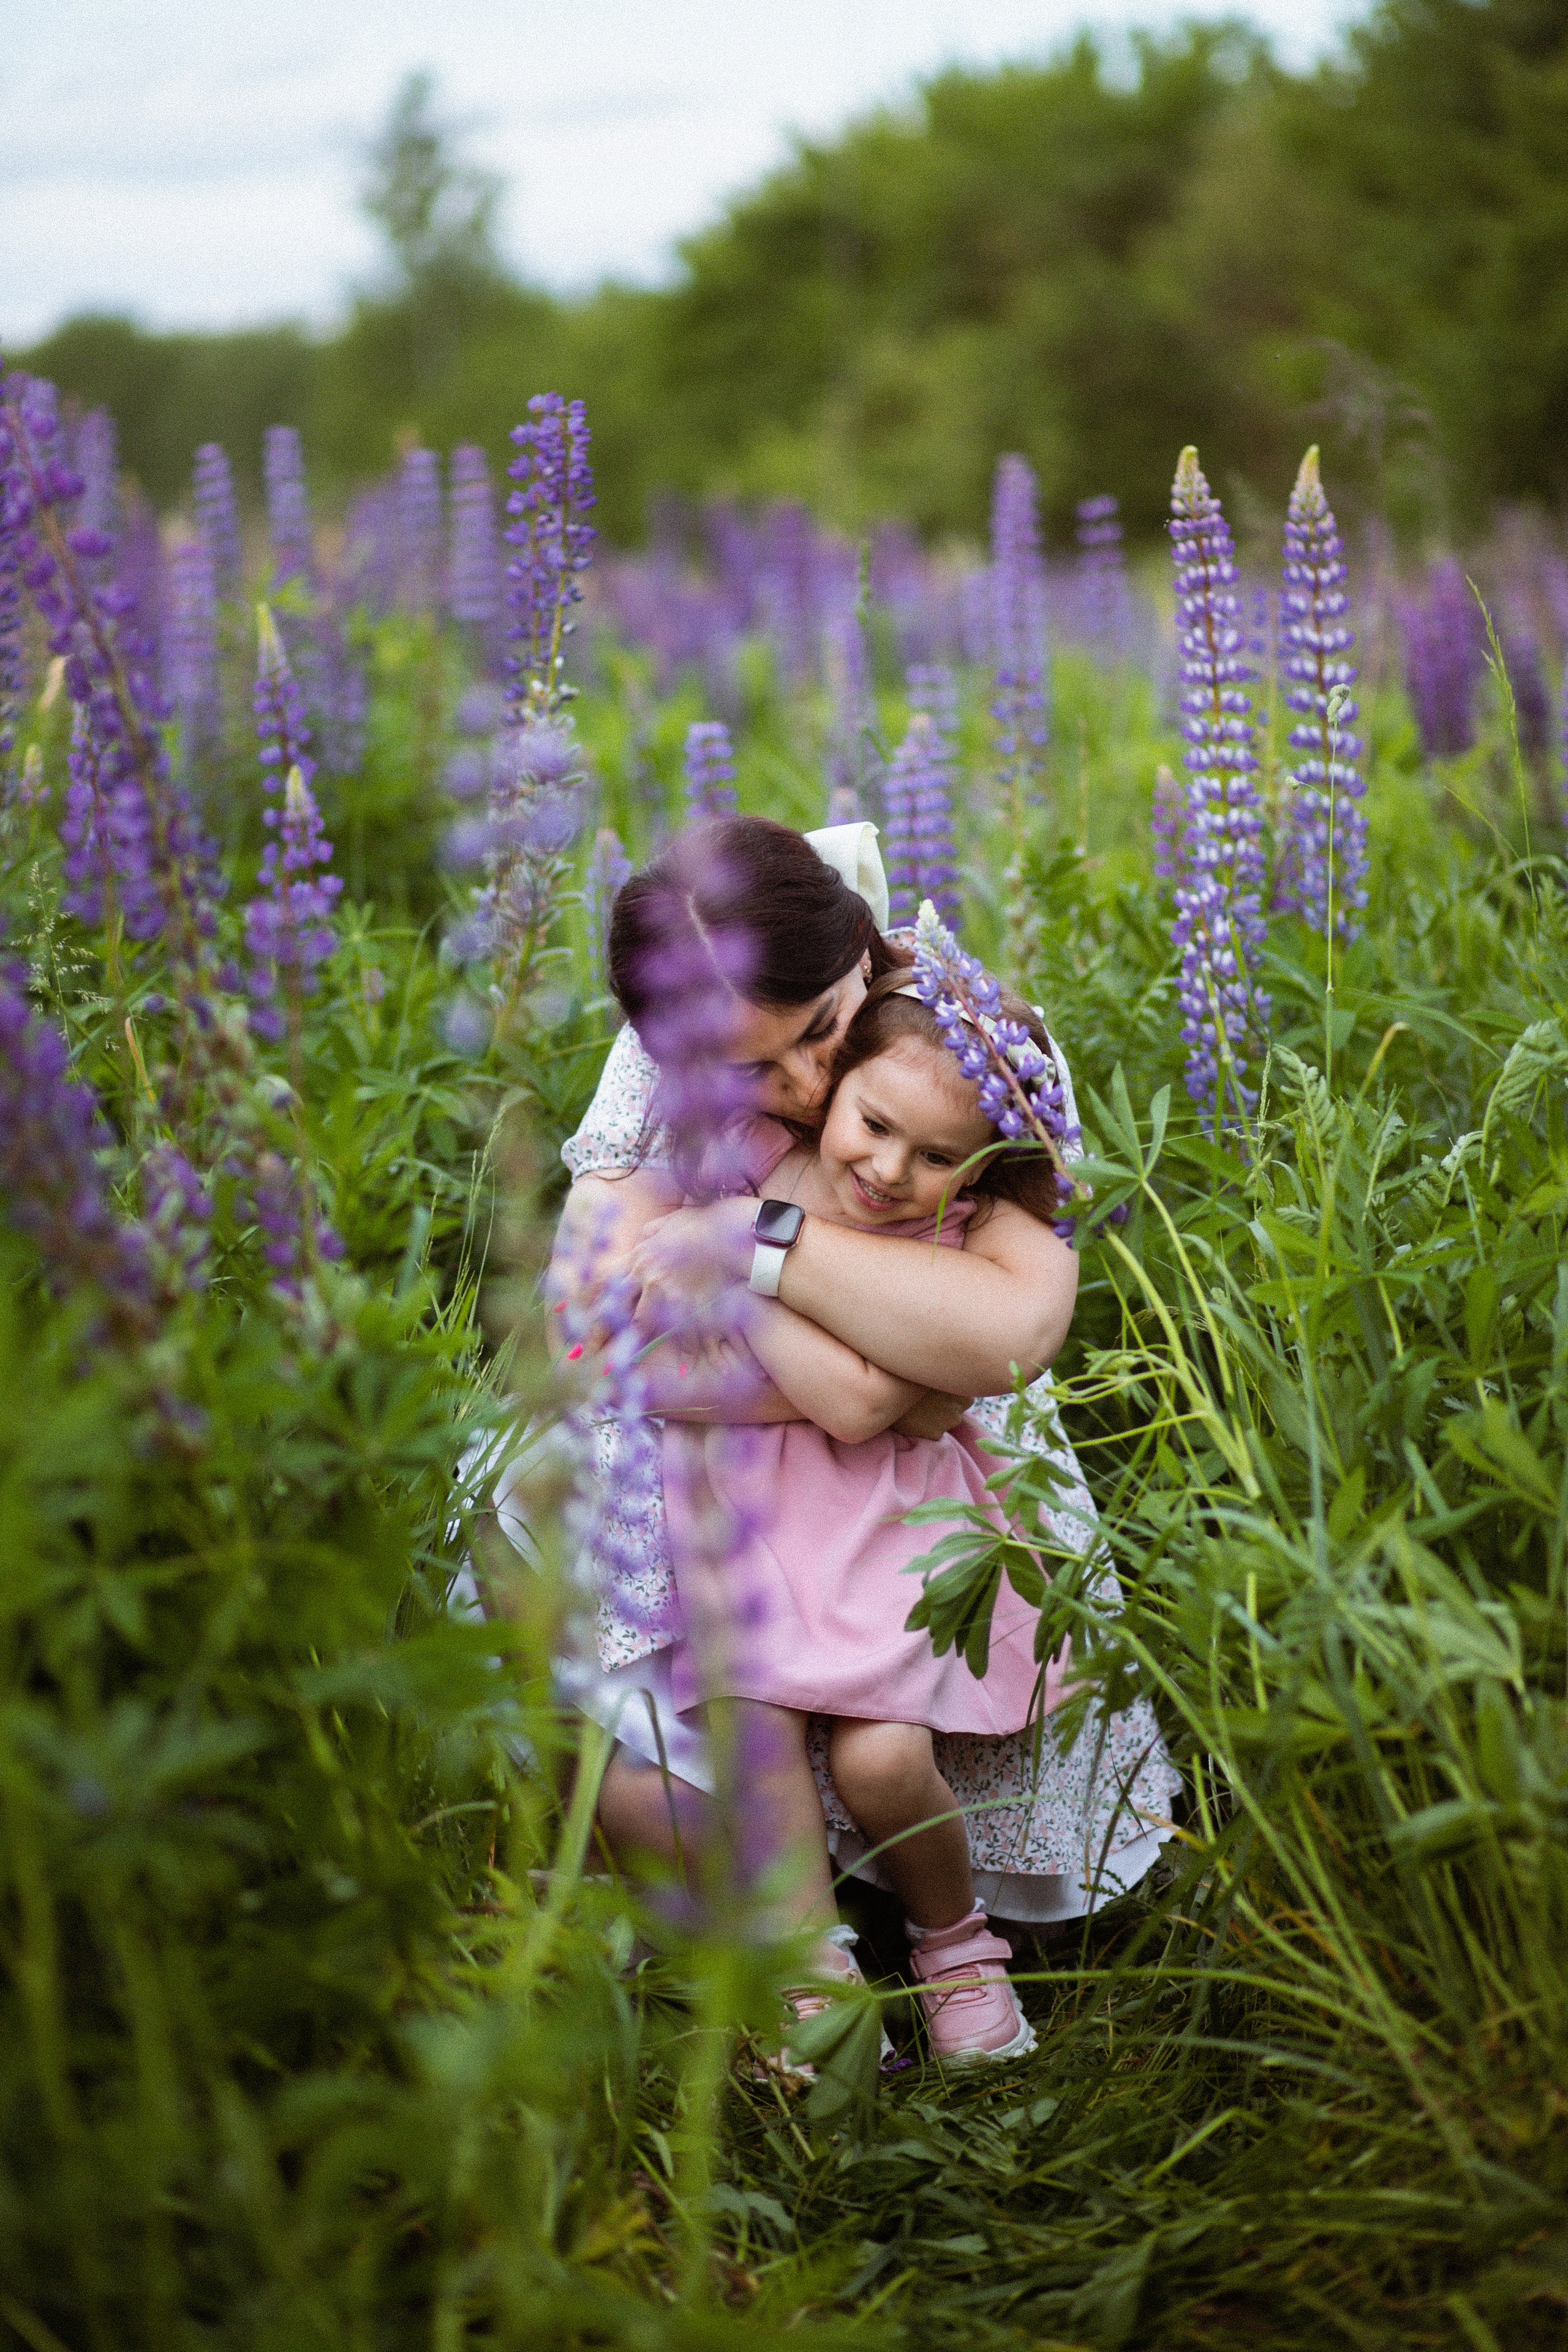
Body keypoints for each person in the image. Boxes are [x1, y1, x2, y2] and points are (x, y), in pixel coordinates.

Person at [540, 815, 1177, 2048]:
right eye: (752, 1071)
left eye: (820, 1031)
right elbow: (589, 1319)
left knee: (890, 1741)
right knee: (665, 1760)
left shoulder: (956, 1037)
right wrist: (866, 1382)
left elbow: (1011, 1326)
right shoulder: (672, 1047)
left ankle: (943, 1938)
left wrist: (758, 1242)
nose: (799, 1088)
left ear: (866, 956)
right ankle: (808, 1961)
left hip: (907, 1490)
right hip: (717, 1477)